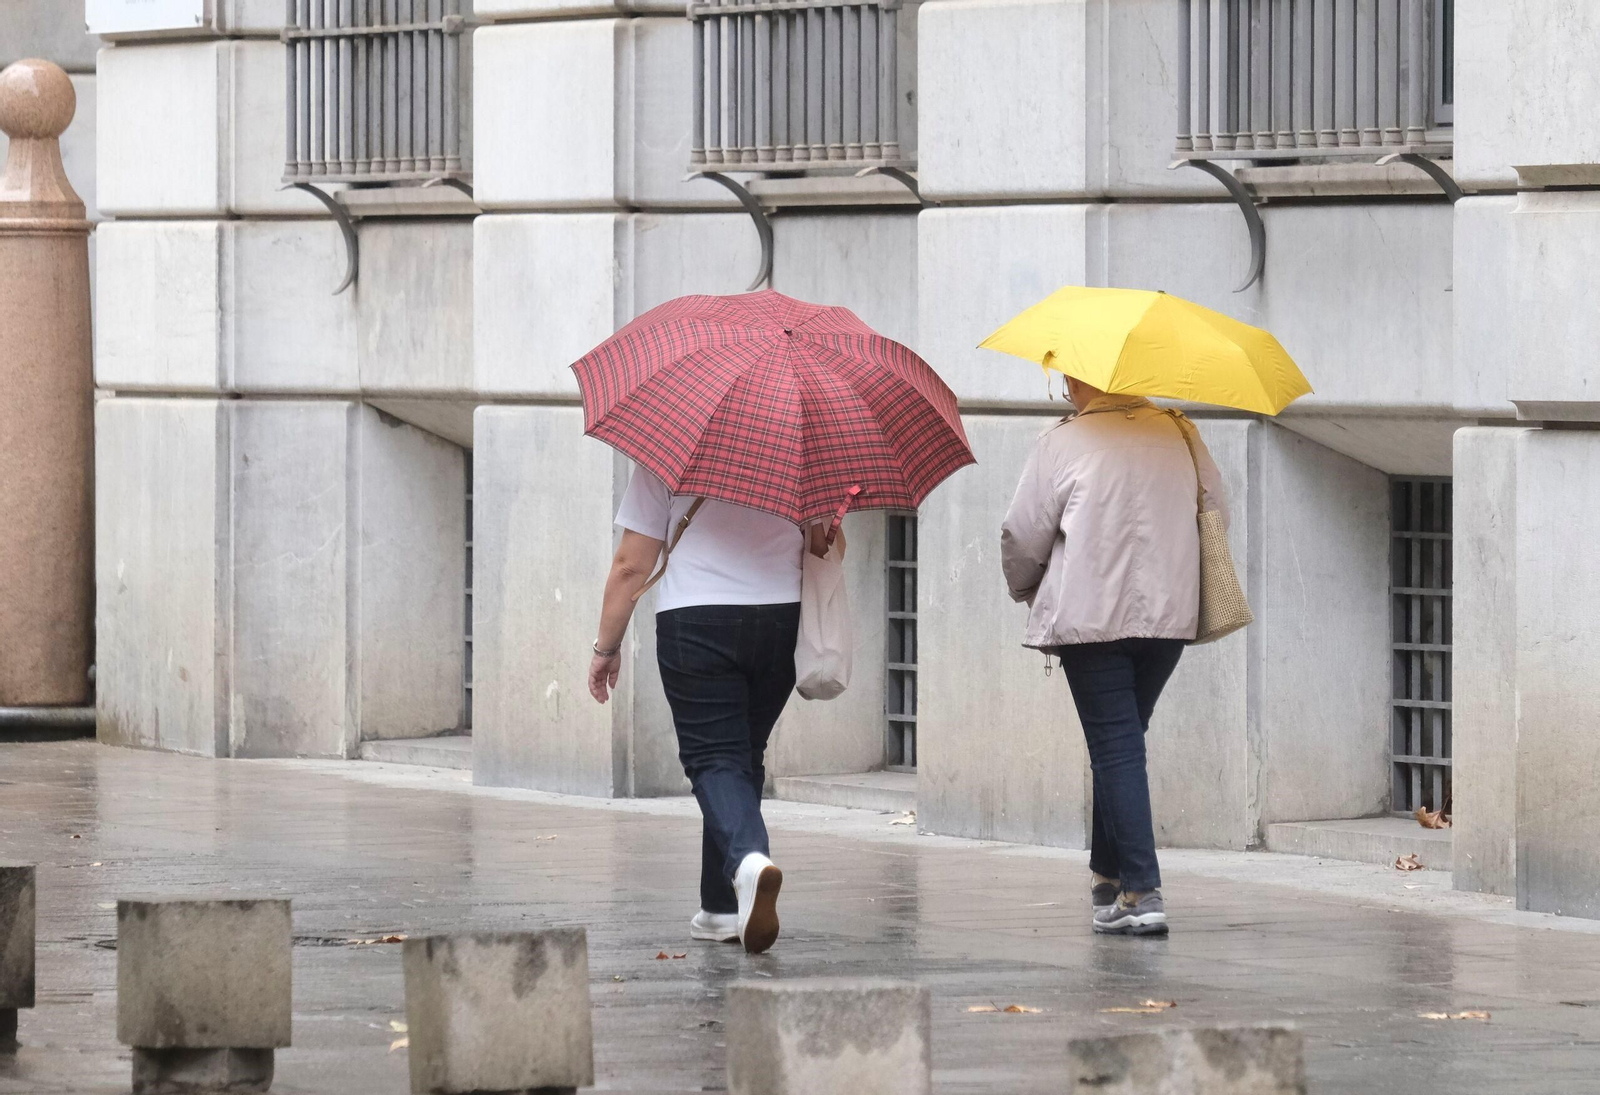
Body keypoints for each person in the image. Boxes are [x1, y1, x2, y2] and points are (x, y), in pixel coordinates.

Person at [999, 376, 1227, 937]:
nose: (1061, 388)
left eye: (1064, 378)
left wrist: (1025, 587)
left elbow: (1022, 537)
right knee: (1122, 740)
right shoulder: (1180, 432)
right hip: (1170, 617)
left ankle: (1142, 892)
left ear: (1081, 377)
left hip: (1090, 620)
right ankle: (1107, 873)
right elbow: (1217, 513)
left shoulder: (1062, 442)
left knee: (1117, 747)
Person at [587, 466, 840, 954]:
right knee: (740, 756)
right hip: (782, 621)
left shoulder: (668, 455)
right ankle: (721, 908)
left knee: (714, 759)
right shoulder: (801, 449)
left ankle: (749, 859)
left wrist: (605, 647)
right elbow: (822, 545)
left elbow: (629, 566)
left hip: (696, 619)